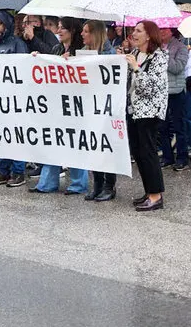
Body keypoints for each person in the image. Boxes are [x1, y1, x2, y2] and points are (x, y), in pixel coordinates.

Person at [33, 18, 89, 194]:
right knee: (53, 141)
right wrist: (39, 58)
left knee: (75, 143)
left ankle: (78, 184)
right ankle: (47, 183)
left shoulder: (83, 51)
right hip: (56, 103)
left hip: (75, 105)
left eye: (62, 28)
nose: (58, 31)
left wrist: (72, 62)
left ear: (72, 30)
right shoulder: (57, 49)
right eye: (57, 27)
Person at [126, 21, 168, 211]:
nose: (134, 34)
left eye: (138, 31)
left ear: (149, 35)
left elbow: (150, 88)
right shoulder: (135, 53)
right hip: (134, 110)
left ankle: (156, 196)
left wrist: (136, 68)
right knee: (138, 152)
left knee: (148, 153)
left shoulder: (159, 57)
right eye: (133, 30)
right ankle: (148, 191)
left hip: (150, 112)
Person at [0, 11, 29, 188]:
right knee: (2, 135)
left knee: (15, 136)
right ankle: (3, 171)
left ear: (7, 25)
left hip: (14, 100)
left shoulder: (18, 44)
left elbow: (24, 71)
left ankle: (18, 172)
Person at [83, 19, 122, 201]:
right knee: (93, 146)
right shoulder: (83, 53)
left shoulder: (110, 54)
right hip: (89, 107)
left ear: (95, 34)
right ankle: (97, 184)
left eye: (86, 31)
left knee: (107, 146)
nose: (82, 34)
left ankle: (109, 185)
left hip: (106, 107)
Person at [157, 26, 190, 171]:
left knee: (179, 126)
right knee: (162, 126)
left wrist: (164, 55)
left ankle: (182, 158)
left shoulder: (181, 47)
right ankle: (167, 157)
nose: (162, 31)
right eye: (160, 29)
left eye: (165, 29)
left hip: (176, 91)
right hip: (161, 91)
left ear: (172, 31)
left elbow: (177, 68)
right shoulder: (156, 46)